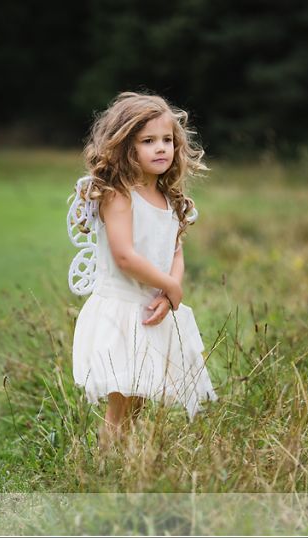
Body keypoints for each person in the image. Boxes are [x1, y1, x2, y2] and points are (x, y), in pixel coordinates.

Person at [68, 92, 216, 445]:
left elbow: (175, 249)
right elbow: (125, 256)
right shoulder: (119, 195)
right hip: (120, 310)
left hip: (152, 308)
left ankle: (129, 461)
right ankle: (107, 461)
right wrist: (171, 286)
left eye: (167, 140)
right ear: (124, 146)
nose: (161, 148)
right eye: (148, 141)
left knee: (141, 397)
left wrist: (169, 291)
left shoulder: (169, 199)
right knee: (121, 400)